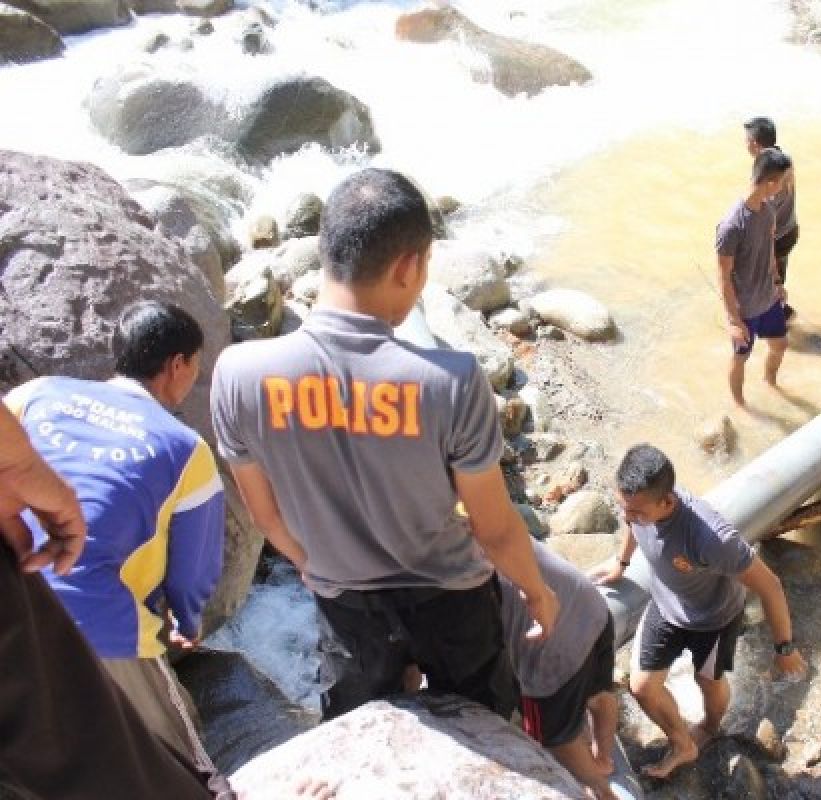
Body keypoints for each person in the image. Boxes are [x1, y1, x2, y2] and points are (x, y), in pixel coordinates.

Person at [211, 168, 558, 722]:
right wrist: (536, 588)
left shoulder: (239, 374)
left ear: (327, 253)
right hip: (453, 600)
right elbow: (493, 529)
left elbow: (266, 518)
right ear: (409, 266)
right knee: (481, 721)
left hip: (344, 605)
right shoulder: (451, 380)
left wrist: (314, 563)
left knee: (359, 724)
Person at [3, 300, 225, 777]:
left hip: (14, 599)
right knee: (180, 763)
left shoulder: (36, 393)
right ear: (178, 364)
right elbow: (192, 571)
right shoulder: (186, 448)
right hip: (107, 631)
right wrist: (187, 620)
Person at [593, 444, 807, 780]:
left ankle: (709, 727)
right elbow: (630, 524)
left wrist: (784, 649)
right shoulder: (638, 505)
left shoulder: (712, 539)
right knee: (643, 686)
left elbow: (771, 587)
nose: (630, 518)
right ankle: (683, 744)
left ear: (668, 501)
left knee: (708, 680)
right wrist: (621, 563)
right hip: (665, 605)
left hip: (714, 620)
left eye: (638, 512)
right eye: (626, 509)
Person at [497, 540, 618, 800]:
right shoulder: (480, 512)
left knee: (555, 738)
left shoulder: (442, 556)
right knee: (598, 694)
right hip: (590, 607)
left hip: (551, 650)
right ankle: (604, 759)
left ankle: (603, 792)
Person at [717, 147, 793, 407]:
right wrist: (733, 321)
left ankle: (770, 383)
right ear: (770, 182)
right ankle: (740, 405)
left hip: (768, 298)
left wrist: (778, 283)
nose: (783, 188)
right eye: (782, 182)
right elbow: (724, 278)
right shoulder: (731, 226)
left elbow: (769, 251)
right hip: (746, 309)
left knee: (780, 344)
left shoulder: (768, 211)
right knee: (740, 358)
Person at [743, 116, 798, 317]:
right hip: (790, 229)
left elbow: (765, 212)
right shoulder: (784, 158)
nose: (745, 144)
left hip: (776, 236)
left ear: (755, 143)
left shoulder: (767, 172)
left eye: (746, 140)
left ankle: (780, 317)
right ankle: (780, 313)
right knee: (776, 278)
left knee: (769, 281)